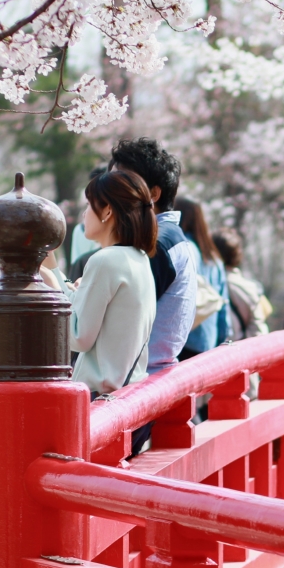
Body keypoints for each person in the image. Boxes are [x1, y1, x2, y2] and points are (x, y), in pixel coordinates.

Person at [107, 138, 197, 378]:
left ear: (154, 194)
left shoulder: (155, 243)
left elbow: (113, 321)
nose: (110, 194)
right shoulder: (168, 238)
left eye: (123, 184)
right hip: (148, 376)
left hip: (136, 380)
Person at [69, 170, 159, 397]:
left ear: (107, 210)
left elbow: (78, 337)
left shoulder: (104, 260)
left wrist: (53, 284)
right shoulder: (138, 257)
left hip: (100, 397)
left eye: (88, 206)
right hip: (127, 393)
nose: (84, 215)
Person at [174, 197, 228, 359]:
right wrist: (222, 338)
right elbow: (223, 303)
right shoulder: (214, 258)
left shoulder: (183, 249)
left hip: (185, 340)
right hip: (209, 339)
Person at [213, 227, 267, 339]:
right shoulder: (249, 287)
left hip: (210, 352)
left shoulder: (209, 284)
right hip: (241, 352)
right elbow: (257, 329)